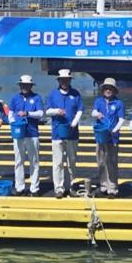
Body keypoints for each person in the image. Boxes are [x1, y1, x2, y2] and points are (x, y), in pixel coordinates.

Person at [45, 69, 84, 198]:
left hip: (72, 133)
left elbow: (80, 110)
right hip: (57, 133)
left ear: (70, 80)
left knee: (71, 161)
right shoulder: (52, 94)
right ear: (59, 80)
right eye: (62, 80)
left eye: (67, 80)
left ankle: (70, 186)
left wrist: (75, 122)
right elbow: (47, 111)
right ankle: (59, 188)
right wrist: (57, 111)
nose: (64, 82)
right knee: (58, 162)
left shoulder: (75, 94)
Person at [8, 75, 44, 196]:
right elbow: (10, 114)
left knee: (34, 161)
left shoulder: (37, 97)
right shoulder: (14, 98)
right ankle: (19, 187)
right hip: (18, 133)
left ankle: (34, 188)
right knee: (19, 161)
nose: (25, 87)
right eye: (23, 85)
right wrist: (14, 123)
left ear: (31, 86)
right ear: (20, 86)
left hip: (32, 133)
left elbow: (40, 113)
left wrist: (27, 113)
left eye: (27, 85)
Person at [92, 78, 125, 198]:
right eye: (106, 88)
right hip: (101, 135)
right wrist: (97, 114)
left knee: (111, 162)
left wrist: (115, 130)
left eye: (110, 88)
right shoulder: (98, 101)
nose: (108, 90)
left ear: (114, 90)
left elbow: (121, 119)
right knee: (101, 162)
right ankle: (103, 185)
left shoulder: (118, 103)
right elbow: (93, 112)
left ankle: (113, 188)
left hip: (112, 137)